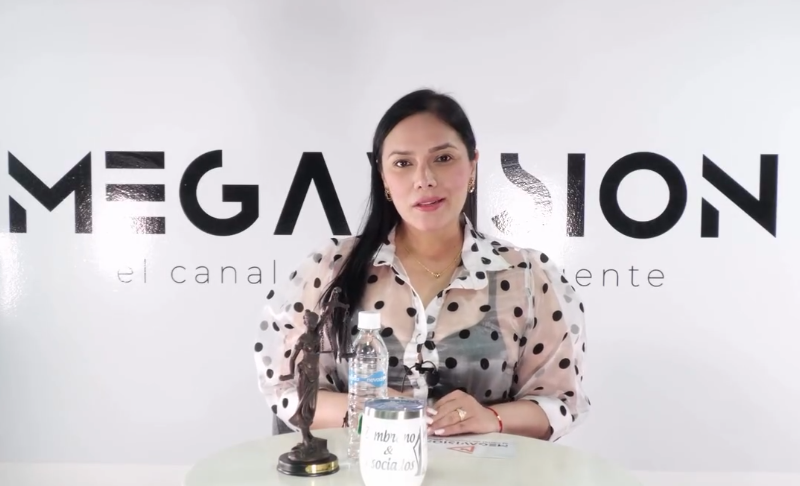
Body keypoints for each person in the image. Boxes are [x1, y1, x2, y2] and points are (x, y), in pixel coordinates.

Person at [254, 89, 590, 442]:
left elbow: (560, 402)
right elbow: (287, 390)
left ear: (472, 165)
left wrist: (491, 417)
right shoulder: (332, 268)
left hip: (482, 471)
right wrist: (371, 408)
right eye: (403, 163)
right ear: (383, 176)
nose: (424, 179)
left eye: (443, 158)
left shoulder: (526, 275)